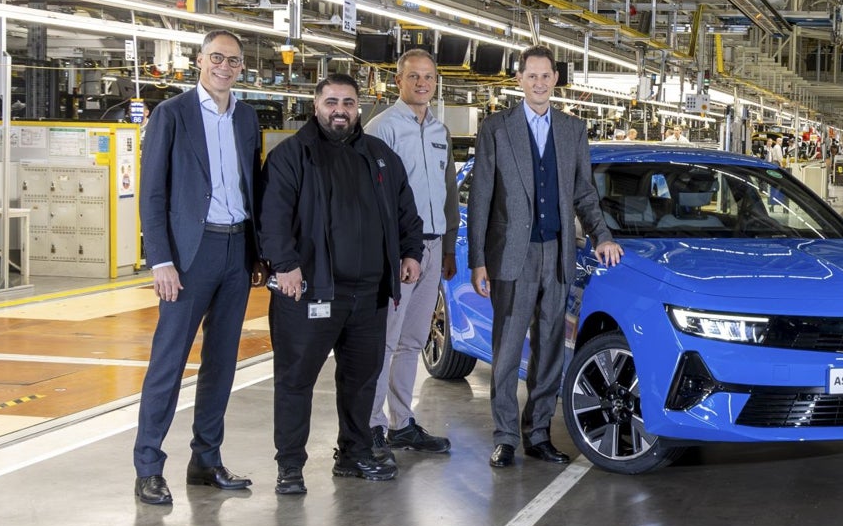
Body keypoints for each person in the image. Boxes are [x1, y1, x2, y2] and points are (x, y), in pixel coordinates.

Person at [259, 73, 424, 495]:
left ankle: (353, 453)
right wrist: (285, 264)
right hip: (310, 293)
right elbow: (273, 219)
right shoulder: (291, 156)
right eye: (332, 102)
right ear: (316, 105)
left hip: (368, 295)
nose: (340, 111)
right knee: (296, 380)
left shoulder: (380, 156)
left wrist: (410, 253)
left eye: (348, 103)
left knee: (361, 380)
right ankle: (290, 465)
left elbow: (408, 212)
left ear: (359, 108)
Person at [467, 46, 624, 468]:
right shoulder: (497, 128)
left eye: (545, 75)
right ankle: (504, 438)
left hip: (557, 254)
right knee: (506, 350)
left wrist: (602, 237)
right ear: (519, 80)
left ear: (556, 79)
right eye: (531, 76)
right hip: (510, 257)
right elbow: (481, 197)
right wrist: (477, 260)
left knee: (551, 349)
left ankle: (537, 433)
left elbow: (585, 193)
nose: (539, 83)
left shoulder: (573, 130)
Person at [133, 30, 263, 506]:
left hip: (236, 251)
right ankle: (148, 466)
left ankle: (206, 460)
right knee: (168, 362)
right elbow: (153, 194)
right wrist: (161, 260)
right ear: (199, 61)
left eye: (233, 60)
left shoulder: (246, 118)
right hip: (190, 255)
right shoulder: (172, 115)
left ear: (241, 67)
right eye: (216, 58)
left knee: (221, 363)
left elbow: (254, 186)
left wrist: (258, 255)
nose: (224, 66)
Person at [365, 50, 458, 457]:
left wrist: (449, 247)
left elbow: (449, 193)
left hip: (435, 246)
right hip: (402, 249)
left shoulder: (440, 131)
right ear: (398, 80)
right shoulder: (381, 129)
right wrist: (396, 250)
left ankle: (401, 423)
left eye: (429, 77)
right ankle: (371, 425)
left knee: (414, 339)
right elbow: (371, 198)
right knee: (385, 340)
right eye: (414, 76)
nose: (422, 83)